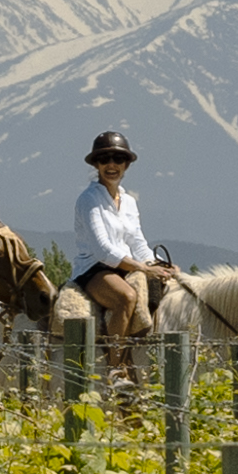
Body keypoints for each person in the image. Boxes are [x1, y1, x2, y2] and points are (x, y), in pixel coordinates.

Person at [72, 129, 178, 339]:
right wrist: (143, 269)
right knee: (126, 297)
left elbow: (137, 242)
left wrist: (157, 265)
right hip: (94, 270)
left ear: (126, 165)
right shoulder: (88, 199)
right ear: (96, 165)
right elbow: (102, 250)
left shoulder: (129, 202)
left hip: (126, 266)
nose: (112, 165)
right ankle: (116, 366)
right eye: (104, 159)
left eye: (118, 159)